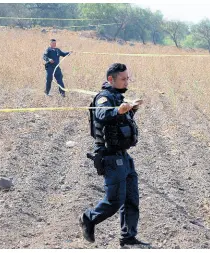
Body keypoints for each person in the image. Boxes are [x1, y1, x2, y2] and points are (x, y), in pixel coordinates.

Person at [79, 63, 149, 248]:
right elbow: (102, 115)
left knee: (131, 199)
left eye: (128, 78)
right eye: (123, 79)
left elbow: (119, 122)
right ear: (111, 79)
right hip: (110, 157)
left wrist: (131, 109)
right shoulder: (104, 98)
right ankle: (89, 218)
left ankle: (128, 238)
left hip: (124, 157)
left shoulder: (118, 97)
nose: (127, 81)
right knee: (114, 201)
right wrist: (118, 110)